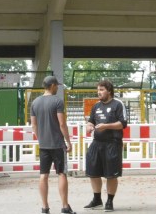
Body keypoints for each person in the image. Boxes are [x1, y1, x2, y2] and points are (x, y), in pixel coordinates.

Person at [31, 76, 76, 214]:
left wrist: (41, 139)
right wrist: (68, 141)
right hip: (57, 144)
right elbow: (62, 124)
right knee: (62, 174)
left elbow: (34, 125)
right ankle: (65, 206)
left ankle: (45, 208)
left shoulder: (35, 102)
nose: (57, 88)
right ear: (52, 85)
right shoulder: (57, 101)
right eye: (56, 85)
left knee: (43, 175)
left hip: (43, 145)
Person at [84, 80, 128, 212]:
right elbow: (91, 121)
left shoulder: (118, 104)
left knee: (111, 175)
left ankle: (109, 201)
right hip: (96, 142)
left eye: (102, 90)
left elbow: (123, 124)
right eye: (98, 90)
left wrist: (106, 126)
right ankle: (97, 199)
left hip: (112, 143)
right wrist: (89, 126)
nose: (99, 92)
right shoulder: (96, 106)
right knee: (93, 172)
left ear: (109, 91)